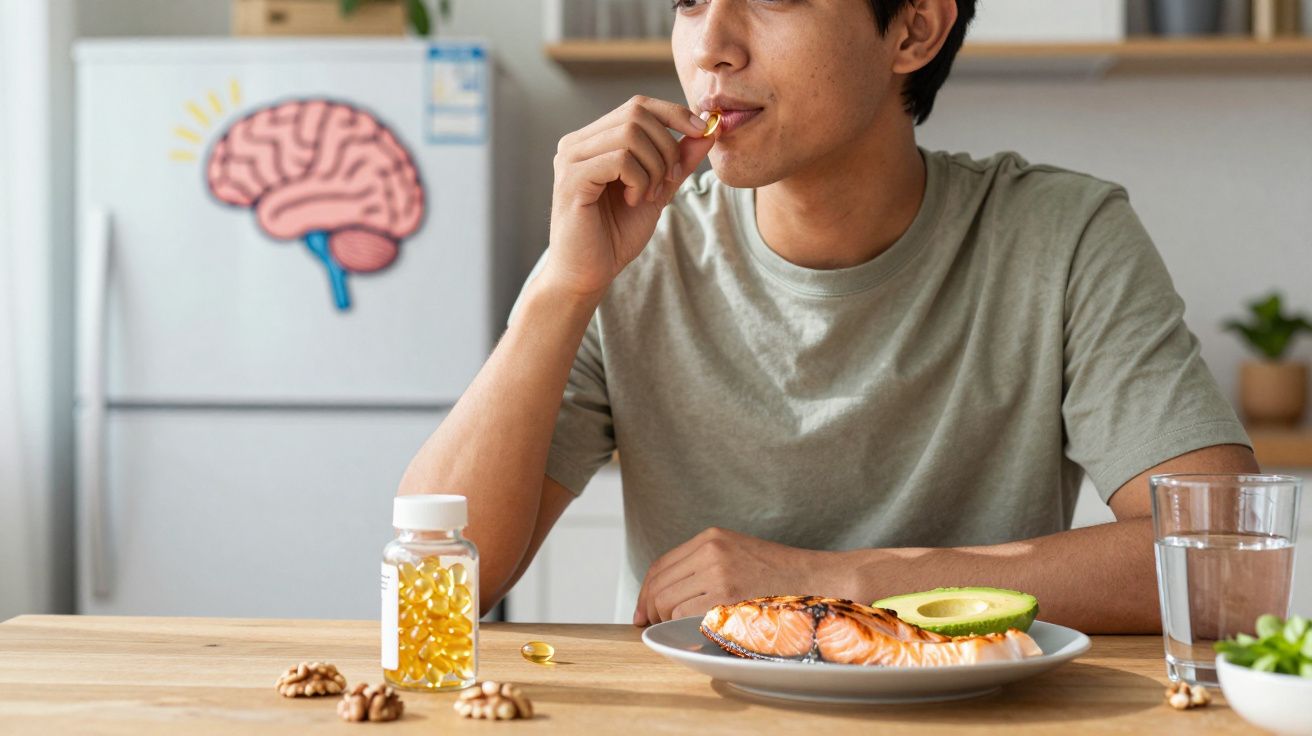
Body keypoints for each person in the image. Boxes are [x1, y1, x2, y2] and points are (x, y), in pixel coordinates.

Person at [399, 0, 1257, 632]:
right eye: (689, 2)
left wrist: (839, 580)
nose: (711, 48)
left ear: (914, 29)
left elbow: (1226, 565)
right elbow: (432, 592)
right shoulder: (633, 254)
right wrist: (561, 286)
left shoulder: (1064, 238)